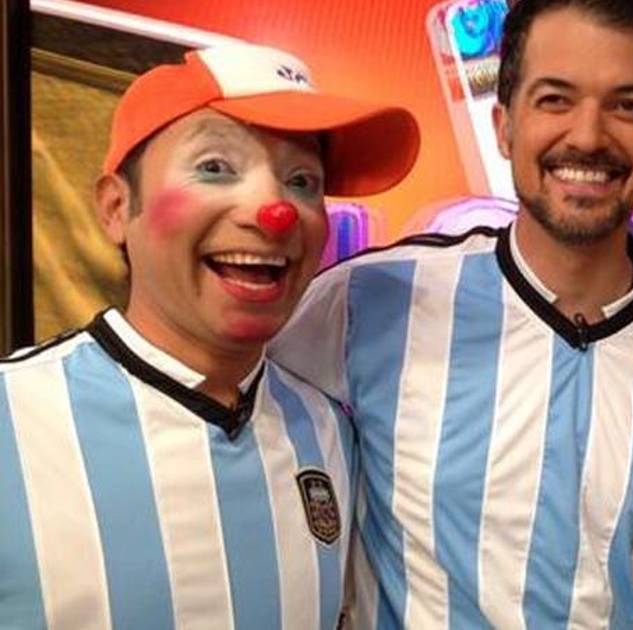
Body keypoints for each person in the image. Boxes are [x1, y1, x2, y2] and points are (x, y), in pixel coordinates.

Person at [270, 0, 633, 627]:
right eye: (555, 100)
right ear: (505, 126)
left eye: (627, 106)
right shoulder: (369, 302)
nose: (588, 136)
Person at [0, 43, 418, 629]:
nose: (274, 211)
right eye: (216, 167)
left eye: (303, 181)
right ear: (117, 207)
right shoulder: (13, 418)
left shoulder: (327, 431)